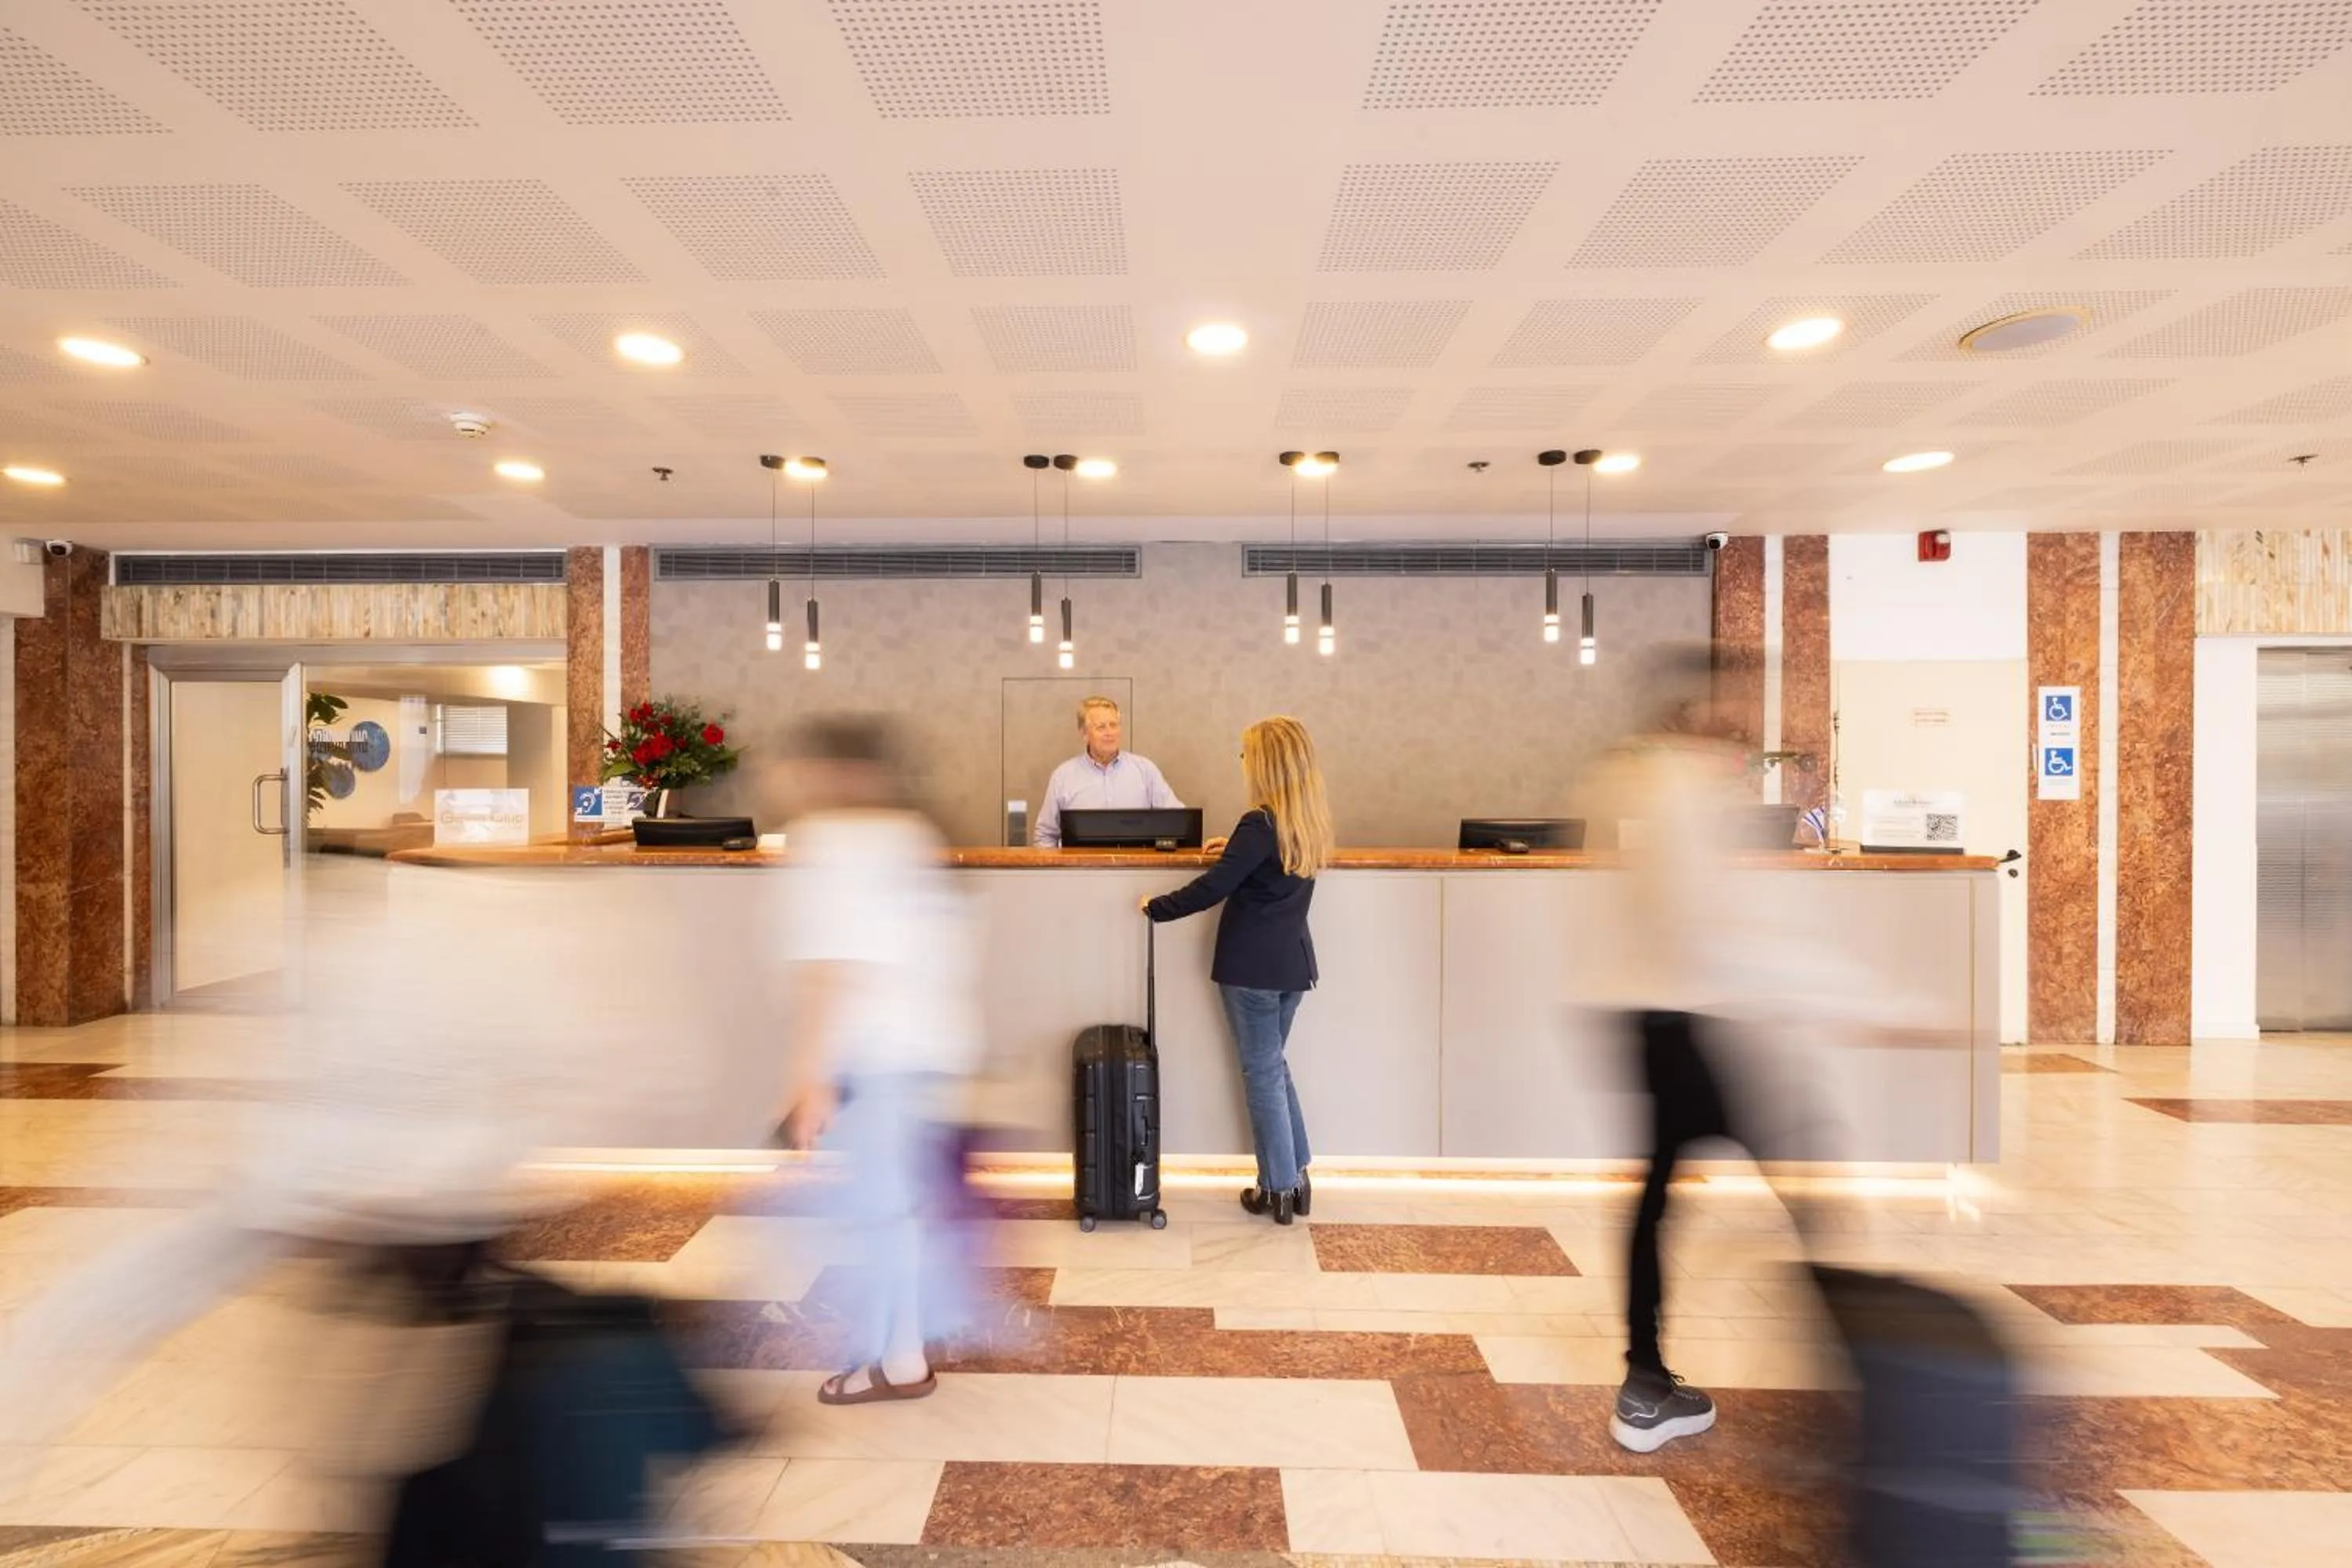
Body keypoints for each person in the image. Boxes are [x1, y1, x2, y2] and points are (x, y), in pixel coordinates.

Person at [774, 714, 986, 1406]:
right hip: (933, 1053)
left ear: (838, 772)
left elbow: (833, 969)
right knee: (899, 1212)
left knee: (884, 1217)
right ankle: (902, 1352)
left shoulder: (831, 841)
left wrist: (809, 1078)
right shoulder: (913, 833)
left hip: (877, 1059)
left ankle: (898, 1361)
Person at [1141, 716, 1333, 1225]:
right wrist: (1235, 850)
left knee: (1263, 1075)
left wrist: (1154, 907)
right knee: (1275, 1069)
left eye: (1247, 756)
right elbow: (1262, 868)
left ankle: (1280, 1188)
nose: (1243, 764)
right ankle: (1298, 1176)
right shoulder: (1304, 823)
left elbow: (1211, 889)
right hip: (1292, 968)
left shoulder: (1261, 824)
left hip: (1251, 972)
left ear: (1265, 765)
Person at [1034, 695, 1183, 848]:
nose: (1109, 732)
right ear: (1084, 734)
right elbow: (1045, 837)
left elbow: (1178, 822)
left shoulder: (1145, 771)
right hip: (1080, 870)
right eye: (1101, 727)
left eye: (1114, 725)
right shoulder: (1063, 777)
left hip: (1137, 869)